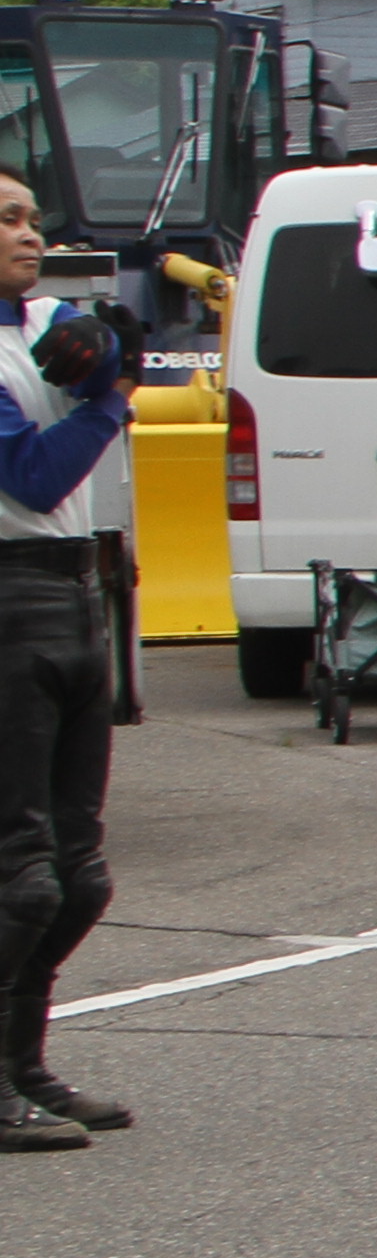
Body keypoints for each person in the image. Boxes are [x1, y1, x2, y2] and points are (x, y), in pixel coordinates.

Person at [0, 173, 139, 1145]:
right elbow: (33, 476)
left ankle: (26, 1067)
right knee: (22, 877)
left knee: (79, 874)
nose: (29, 234)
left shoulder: (44, 321)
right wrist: (109, 399)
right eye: (6, 219)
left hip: (77, 593)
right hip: (9, 601)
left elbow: (120, 345)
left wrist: (114, 347)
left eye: (32, 219)